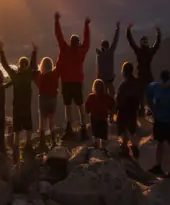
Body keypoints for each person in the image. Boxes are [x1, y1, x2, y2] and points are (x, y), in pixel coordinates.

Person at [0, 40, 37, 161]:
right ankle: (29, 146)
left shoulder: (15, 76)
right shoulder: (29, 75)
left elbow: (5, 65)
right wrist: (34, 52)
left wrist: (1, 51)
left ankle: (16, 150)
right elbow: (33, 65)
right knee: (28, 126)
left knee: (16, 129)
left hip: (17, 107)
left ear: (19, 65)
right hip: (26, 106)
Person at [54, 11, 91, 140]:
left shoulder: (65, 50)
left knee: (67, 105)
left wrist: (56, 21)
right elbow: (87, 41)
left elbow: (58, 36)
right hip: (77, 82)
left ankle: (69, 127)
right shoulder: (81, 51)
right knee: (80, 104)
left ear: (70, 42)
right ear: (78, 42)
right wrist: (86, 25)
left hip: (66, 82)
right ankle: (83, 126)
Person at [146, 69, 170, 178]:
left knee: (160, 143)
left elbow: (148, 89)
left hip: (159, 120)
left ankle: (159, 166)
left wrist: (152, 107)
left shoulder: (156, 87)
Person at [126, 22, 162, 116]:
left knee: (140, 95)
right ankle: (152, 111)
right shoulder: (150, 52)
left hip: (140, 76)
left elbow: (131, 42)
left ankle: (141, 110)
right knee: (150, 95)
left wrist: (128, 30)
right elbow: (157, 43)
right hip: (149, 76)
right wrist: (158, 32)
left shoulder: (139, 51)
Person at [33, 56, 60, 150]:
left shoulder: (40, 76)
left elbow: (38, 85)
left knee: (42, 121)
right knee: (51, 121)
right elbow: (57, 86)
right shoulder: (54, 75)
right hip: (52, 99)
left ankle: (42, 142)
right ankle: (54, 142)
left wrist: (34, 52)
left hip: (43, 99)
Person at [115, 61, 142, 159]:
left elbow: (119, 99)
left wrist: (115, 110)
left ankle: (125, 149)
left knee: (122, 130)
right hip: (133, 111)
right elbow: (140, 96)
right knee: (132, 131)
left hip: (123, 111)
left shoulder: (123, 85)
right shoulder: (137, 83)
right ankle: (135, 151)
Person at [96, 21, 120, 118]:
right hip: (108, 79)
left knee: (107, 98)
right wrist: (117, 29)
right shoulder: (109, 53)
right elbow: (115, 41)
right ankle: (110, 115)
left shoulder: (99, 54)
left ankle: (109, 115)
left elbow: (115, 41)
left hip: (104, 79)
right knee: (111, 97)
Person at [84, 79, 115, 149]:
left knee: (96, 138)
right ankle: (103, 153)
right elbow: (113, 105)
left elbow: (87, 110)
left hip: (94, 121)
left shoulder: (90, 97)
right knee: (104, 140)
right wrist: (111, 115)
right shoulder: (107, 97)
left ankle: (96, 152)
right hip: (103, 120)